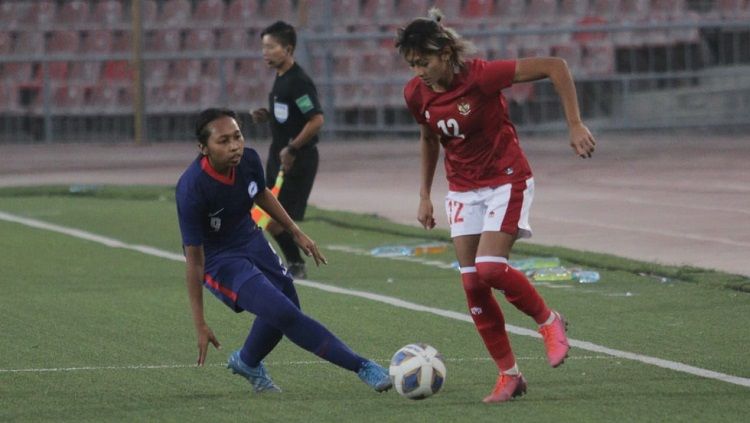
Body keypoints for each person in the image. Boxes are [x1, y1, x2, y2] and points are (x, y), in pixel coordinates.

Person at [396, 9, 596, 403]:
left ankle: (549, 320)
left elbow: (556, 67)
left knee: (490, 268)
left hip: (506, 179)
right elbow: (429, 138)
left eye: (425, 61)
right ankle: (510, 376)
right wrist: (424, 194)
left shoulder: (481, 76)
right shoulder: (415, 93)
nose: (419, 70)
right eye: (412, 63)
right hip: (463, 189)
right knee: (472, 283)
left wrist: (574, 123)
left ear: (447, 53)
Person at [176, 108, 391, 395]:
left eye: (237, 137)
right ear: (203, 148)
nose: (234, 146)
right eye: (223, 141)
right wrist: (200, 322)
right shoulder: (191, 189)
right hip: (219, 259)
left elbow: (261, 193)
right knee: (284, 313)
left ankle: (247, 361)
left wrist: (294, 230)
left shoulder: (249, 159)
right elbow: (194, 261)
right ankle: (362, 366)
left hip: (251, 238)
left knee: (288, 304)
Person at [251, 21, 323, 280]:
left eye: (271, 47)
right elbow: (290, 116)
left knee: (275, 218)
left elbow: (316, 119)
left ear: (288, 48)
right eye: (263, 47)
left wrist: (292, 148)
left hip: (296, 159)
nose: (265, 52)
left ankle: (295, 263)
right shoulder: (281, 78)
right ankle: (292, 262)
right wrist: (268, 117)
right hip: (278, 156)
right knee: (264, 211)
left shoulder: (299, 82)